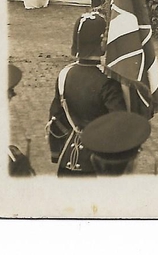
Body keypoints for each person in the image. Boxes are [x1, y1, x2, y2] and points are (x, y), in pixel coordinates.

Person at [46, 12, 127, 176]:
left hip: (67, 162)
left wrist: (56, 152)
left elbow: (55, 118)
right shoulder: (108, 79)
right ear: (100, 41)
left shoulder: (65, 74)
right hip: (97, 165)